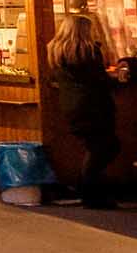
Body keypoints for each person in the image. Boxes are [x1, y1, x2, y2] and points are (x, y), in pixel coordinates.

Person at [46, 12, 123, 209]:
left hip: (71, 106)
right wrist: (118, 76)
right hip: (94, 106)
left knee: (96, 147)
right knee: (104, 147)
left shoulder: (56, 51)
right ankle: (91, 195)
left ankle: (88, 190)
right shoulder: (89, 51)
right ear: (83, 31)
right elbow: (99, 80)